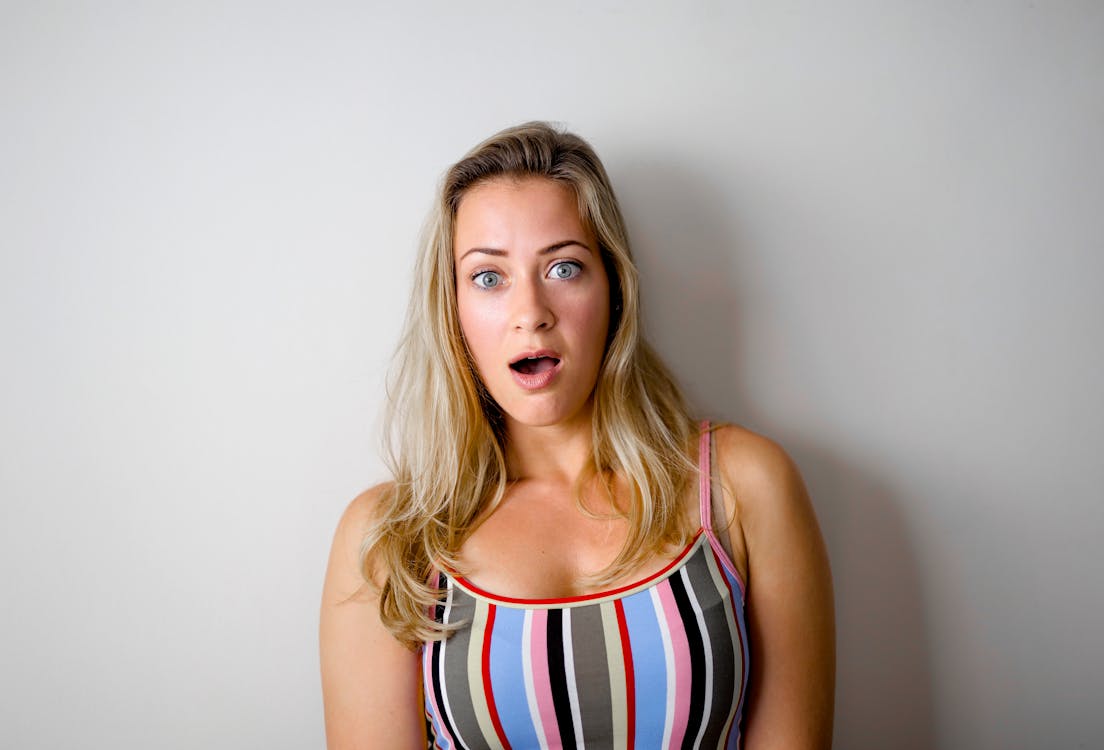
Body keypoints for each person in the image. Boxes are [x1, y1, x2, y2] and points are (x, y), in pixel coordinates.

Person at [320, 122, 835, 749]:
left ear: (614, 289)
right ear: (451, 310)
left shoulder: (742, 487)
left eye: (564, 267)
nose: (530, 311)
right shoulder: (391, 541)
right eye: (488, 277)